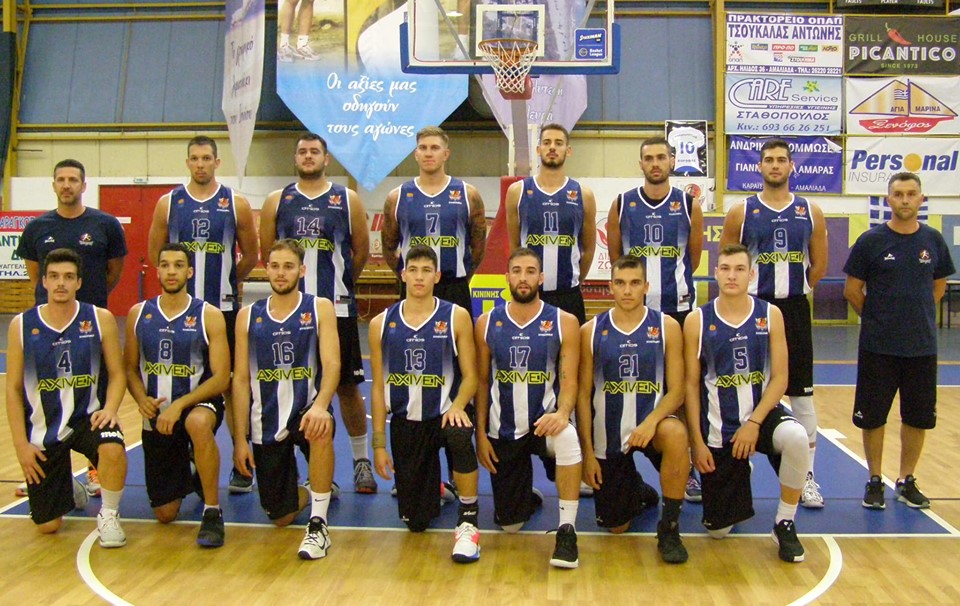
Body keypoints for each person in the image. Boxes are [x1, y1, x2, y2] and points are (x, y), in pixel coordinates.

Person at [259, 132, 376, 495]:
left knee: (347, 386)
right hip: (292, 314)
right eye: (302, 151)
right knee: (298, 386)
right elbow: (268, 252)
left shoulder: (346, 199)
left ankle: (361, 461)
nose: (308, 156)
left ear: (326, 159)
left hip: (336, 309)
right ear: (295, 158)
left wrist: (338, 287)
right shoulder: (277, 200)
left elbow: (360, 252)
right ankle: (311, 467)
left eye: (314, 151)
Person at [683, 244, 809, 563]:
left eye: (739, 269)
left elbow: (780, 378)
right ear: (715, 273)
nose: (732, 275)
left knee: (797, 438)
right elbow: (690, 386)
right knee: (718, 531)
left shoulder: (770, 314)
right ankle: (740, 469)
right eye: (725, 268)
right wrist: (696, 443)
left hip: (760, 416)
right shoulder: (697, 320)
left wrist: (753, 424)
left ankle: (784, 522)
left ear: (751, 274)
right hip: (719, 427)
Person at [719, 139, 828, 509]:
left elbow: (819, 264)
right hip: (752, 311)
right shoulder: (742, 211)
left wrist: (797, 290)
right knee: (743, 388)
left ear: (791, 166)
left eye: (782, 160)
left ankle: (806, 476)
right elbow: (728, 259)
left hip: (794, 310)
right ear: (760, 166)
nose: (775, 165)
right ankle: (739, 464)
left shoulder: (810, 210)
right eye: (769, 160)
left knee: (801, 394)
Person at [148, 135, 259, 495]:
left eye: (206, 158)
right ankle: (192, 455)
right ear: (187, 162)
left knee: (231, 384)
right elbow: (155, 253)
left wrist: (228, 282)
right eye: (194, 158)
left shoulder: (235, 203)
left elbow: (251, 255)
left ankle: (241, 459)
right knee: (186, 381)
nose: (200, 164)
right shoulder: (168, 203)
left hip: (222, 310)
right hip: (180, 315)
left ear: (216, 162)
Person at [14, 158, 128, 498]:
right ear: (53, 185)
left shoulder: (105, 225)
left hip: (91, 331)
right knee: (44, 401)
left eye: (73, 179)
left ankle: (95, 471)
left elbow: (114, 272)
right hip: (48, 334)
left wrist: (88, 304)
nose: (67, 185)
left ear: (83, 185)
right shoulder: (37, 228)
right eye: (61, 179)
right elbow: (36, 275)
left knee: (94, 402)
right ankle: (47, 471)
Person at [843, 172, 954, 511]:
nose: (905, 199)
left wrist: (917, 314)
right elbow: (852, 290)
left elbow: (939, 285)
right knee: (873, 416)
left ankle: (906, 480)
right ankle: (875, 479)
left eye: (911, 194)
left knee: (918, 417)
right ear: (888, 199)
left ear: (921, 199)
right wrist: (879, 318)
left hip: (921, 347)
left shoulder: (933, 240)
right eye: (899, 194)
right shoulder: (870, 241)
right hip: (878, 347)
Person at [5, 248, 128, 547]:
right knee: (48, 526)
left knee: (112, 446)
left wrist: (111, 408)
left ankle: (109, 515)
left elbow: (117, 373)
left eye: (69, 277)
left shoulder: (99, 319)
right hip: (44, 427)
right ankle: (68, 487)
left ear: (79, 282)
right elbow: (13, 389)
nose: (61, 283)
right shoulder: (22, 325)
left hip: (89, 417)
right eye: (55, 276)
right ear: (44, 281)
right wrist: (21, 445)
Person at [606, 135, 705, 504]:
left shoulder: (688, 204)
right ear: (641, 163)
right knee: (629, 382)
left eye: (661, 157)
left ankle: (688, 467)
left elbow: (693, 258)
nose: (655, 163)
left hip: (678, 309)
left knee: (682, 388)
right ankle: (617, 457)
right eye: (648, 158)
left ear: (672, 160)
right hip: (636, 313)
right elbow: (618, 258)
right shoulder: (623, 204)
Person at [369, 245, 482, 563]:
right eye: (413, 270)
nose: (419, 277)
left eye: (426, 271)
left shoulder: (456, 316)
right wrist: (379, 444)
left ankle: (468, 517)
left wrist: (458, 405)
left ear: (437, 276)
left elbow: (471, 376)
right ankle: (436, 487)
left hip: (446, 414)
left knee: (459, 433)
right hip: (407, 420)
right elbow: (378, 387)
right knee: (416, 523)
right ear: (403, 275)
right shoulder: (381, 323)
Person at [231, 240, 341, 560]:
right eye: (275, 266)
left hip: (306, 409)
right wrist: (239, 440)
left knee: (321, 427)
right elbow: (240, 380)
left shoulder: (319, 308)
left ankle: (318, 524)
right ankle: (311, 489)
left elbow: (332, 364)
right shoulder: (247, 316)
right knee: (281, 517)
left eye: (289, 266)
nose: (281, 273)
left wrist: (320, 406)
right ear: (266, 269)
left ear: (302, 270)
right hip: (265, 417)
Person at [577, 255, 689, 564]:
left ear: (646, 287)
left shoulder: (666, 326)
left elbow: (677, 390)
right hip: (609, 433)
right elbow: (583, 396)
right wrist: (588, 453)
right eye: (621, 283)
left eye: (635, 283)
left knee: (676, 434)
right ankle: (636, 490)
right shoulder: (591, 330)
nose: (627, 290)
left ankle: (669, 528)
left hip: (653, 427)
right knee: (617, 527)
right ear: (610, 287)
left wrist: (651, 422)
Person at [474, 247, 583, 569]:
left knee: (568, 437)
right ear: (507, 277)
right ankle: (526, 497)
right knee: (510, 525)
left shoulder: (564, 321)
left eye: (530, 271)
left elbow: (570, 380)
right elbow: (481, 382)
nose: (523, 278)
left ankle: (567, 531)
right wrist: (480, 434)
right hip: (504, 427)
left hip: (545, 422)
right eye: (517, 271)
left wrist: (562, 413)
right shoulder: (486, 322)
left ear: (541, 278)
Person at [124, 243, 231, 547]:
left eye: (179, 265)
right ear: (157, 271)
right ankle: (193, 467)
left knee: (197, 423)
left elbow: (221, 376)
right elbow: (129, 368)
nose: (172, 271)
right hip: (158, 412)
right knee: (165, 514)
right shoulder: (138, 314)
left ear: (190, 272)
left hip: (198, 402)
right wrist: (141, 399)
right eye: (166, 265)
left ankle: (212, 511)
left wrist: (181, 404)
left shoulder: (208, 315)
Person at [381, 125, 487, 316]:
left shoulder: (468, 194)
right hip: (413, 288)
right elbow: (388, 247)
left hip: (454, 287)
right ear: (416, 154)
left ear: (446, 154)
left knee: (458, 336)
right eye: (423, 148)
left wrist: (462, 277)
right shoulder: (397, 197)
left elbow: (478, 246)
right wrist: (408, 275)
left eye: (435, 148)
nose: (428, 153)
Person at [505, 123, 597, 325]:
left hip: (568, 295)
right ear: (538, 150)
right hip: (531, 295)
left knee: (572, 346)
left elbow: (589, 249)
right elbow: (515, 247)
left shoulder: (583, 194)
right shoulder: (517, 192)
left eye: (558, 143)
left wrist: (575, 281)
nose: (552, 147)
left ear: (568, 150)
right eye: (547, 143)